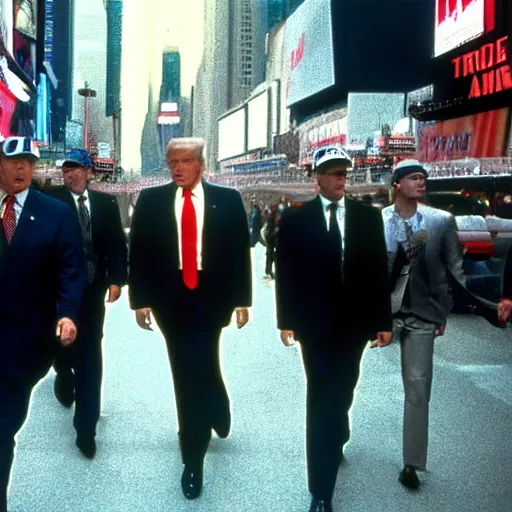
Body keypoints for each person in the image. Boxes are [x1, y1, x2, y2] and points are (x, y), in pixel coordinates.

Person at [129, 137, 252, 500]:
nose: (178, 168)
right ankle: (198, 441)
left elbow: (238, 252)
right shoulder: (151, 201)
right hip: (171, 301)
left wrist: (242, 299)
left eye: (185, 161)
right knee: (186, 372)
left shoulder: (227, 200)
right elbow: (139, 253)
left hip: (211, 298)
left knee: (198, 363)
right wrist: (141, 301)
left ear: (201, 163)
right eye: (172, 162)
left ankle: (203, 432)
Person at [275, 145, 393, 512]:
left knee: (342, 392)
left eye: (345, 170)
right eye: (334, 170)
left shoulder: (368, 219)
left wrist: (382, 323)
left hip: (355, 326)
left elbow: (378, 274)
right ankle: (320, 490)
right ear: (317, 177)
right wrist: (286, 321)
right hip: (314, 327)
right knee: (320, 399)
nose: (343, 176)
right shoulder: (295, 221)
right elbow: (287, 275)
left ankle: (338, 432)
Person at [379, 159, 500, 491]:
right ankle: (339, 429)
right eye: (414, 177)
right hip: (380, 316)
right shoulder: (377, 221)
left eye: (424, 178)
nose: (421, 182)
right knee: (347, 376)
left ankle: (411, 464)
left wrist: (442, 313)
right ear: (397, 184)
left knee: (417, 387)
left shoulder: (440, 221)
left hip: (421, 316)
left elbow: (454, 272)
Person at [0, 137, 86, 512]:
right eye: (13, 161)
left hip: (24, 344)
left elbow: (71, 270)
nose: (21, 169)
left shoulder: (55, 214)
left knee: (2, 428)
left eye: (28, 163)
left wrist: (67, 313)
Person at [46, 149, 128, 459]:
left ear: (89, 172)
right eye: (66, 169)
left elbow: (117, 246)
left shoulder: (105, 205)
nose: (71, 174)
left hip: (93, 293)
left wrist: (117, 278)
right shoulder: (50, 200)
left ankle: (86, 429)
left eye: (77, 168)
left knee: (91, 354)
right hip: (57, 293)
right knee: (61, 347)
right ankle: (64, 375)